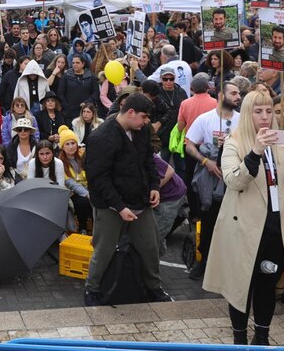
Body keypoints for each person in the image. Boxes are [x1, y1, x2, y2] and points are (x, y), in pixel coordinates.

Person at [203, 91, 284, 346]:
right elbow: (233, 181)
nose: (265, 117)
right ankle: (239, 340)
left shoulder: (283, 142)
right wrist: (254, 153)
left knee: (267, 284)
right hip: (244, 229)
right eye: (258, 112)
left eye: (269, 112)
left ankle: (262, 337)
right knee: (241, 287)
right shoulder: (234, 142)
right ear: (247, 114)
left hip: (277, 230)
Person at [83, 93, 171, 306]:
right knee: (103, 250)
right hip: (110, 207)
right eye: (143, 116)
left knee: (151, 247)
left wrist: (154, 186)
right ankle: (92, 290)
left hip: (139, 201)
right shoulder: (100, 137)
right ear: (130, 112)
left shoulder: (141, 130)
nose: (146, 121)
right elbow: (98, 179)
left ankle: (153, 287)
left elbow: (148, 161)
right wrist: (120, 207)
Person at [184, 82, 242, 280]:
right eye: (233, 93)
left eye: (239, 93)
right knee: (209, 222)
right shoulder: (205, 119)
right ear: (220, 95)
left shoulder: (242, 121)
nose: (238, 97)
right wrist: (205, 160)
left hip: (234, 182)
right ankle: (205, 261)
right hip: (210, 182)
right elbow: (189, 144)